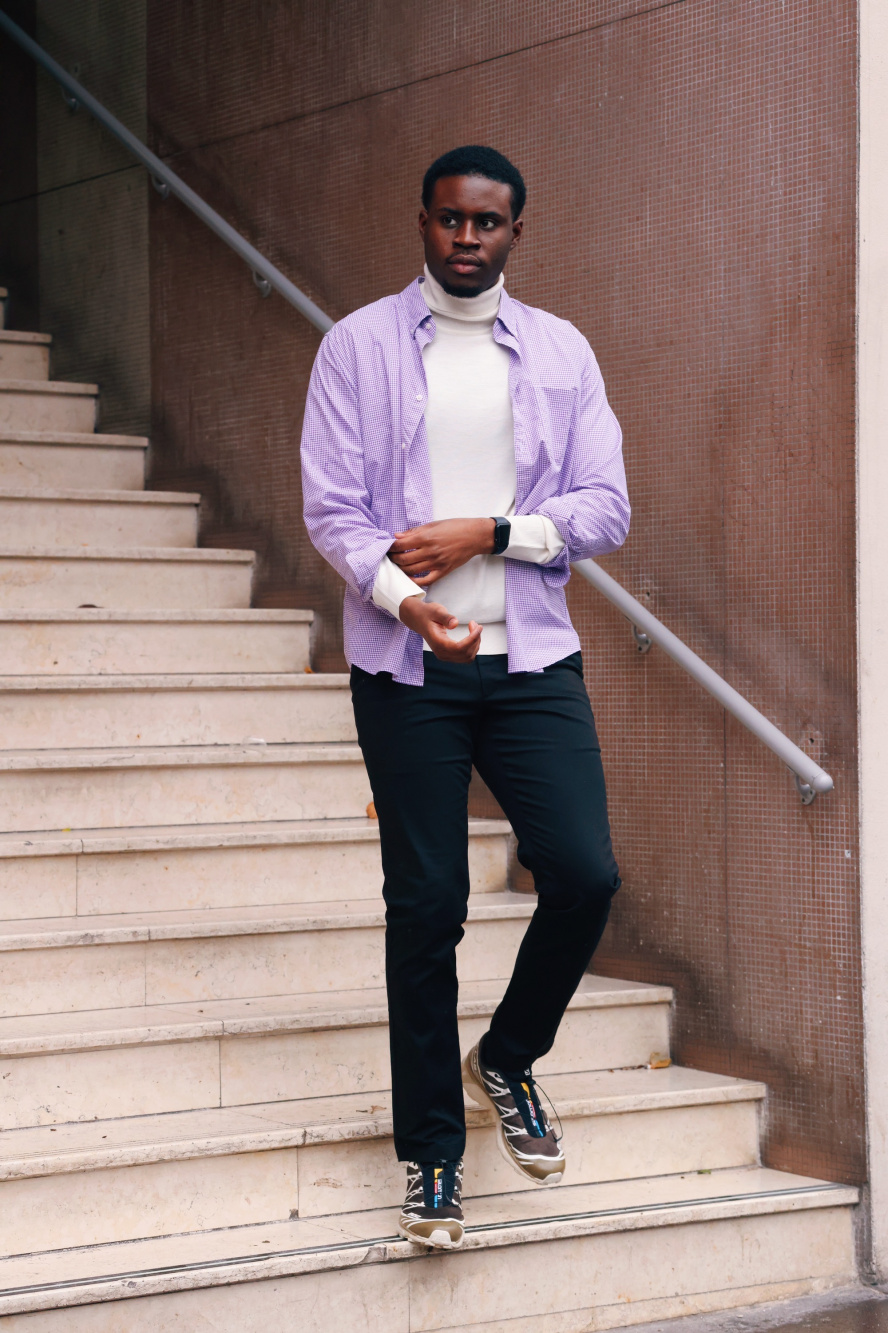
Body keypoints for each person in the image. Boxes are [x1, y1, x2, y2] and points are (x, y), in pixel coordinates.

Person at [301, 144, 629, 1250]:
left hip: (531, 658)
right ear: (424, 223)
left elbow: (605, 506)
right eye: (450, 220)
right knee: (427, 905)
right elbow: (335, 510)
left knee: (585, 870)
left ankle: (509, 1056)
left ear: (516, 232)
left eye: (488, 223)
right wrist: (404, 599)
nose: (467, 240)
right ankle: (431, 1157)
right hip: (409, 672)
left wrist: (489, 532)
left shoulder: (562, 352)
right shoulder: (356, 347)